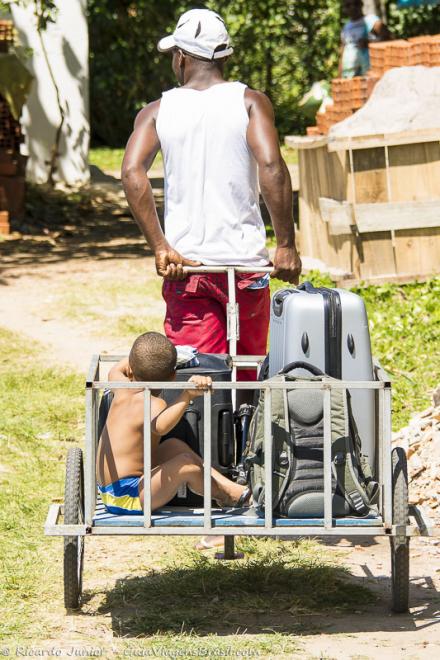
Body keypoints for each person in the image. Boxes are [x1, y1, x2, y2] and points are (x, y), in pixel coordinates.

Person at [121, 8, 302, 382]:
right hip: (245, 268)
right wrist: (285, 244)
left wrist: (159, 246)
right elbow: (272, 168)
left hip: (188, 267)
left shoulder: (157, 111)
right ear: (225, 56)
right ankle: (247, 435)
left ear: (182, 57)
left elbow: (131, 171)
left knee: (196, 379)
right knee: (250, 374)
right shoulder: (250, 102)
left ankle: (200, 441)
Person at [96, 332, 250, 514]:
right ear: (173, 376)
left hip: (110, 489)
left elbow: (116, 369)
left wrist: (142, 358)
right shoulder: (154, 403)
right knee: (186, 465)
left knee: (175, 446)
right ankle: (224, 497)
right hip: (128, 496)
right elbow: (161, 426)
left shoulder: (121, 386)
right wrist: (187, 395)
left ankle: (234, 488)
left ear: (131, 367)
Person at [340, 0, 391, 78]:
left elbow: (389, 38)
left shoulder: (371, 20)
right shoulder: (346, 28)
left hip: (368, 73)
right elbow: (342, 52)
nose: (352, 7)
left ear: (361, 4)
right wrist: (340, 76)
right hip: (349, 75)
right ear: (344, 9)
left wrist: (370, 43)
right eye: (348, 5)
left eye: (355, 4)